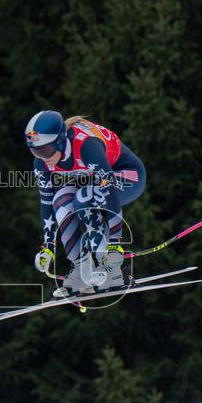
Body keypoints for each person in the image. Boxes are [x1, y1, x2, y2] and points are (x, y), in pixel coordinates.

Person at [24, 110, 146, 297]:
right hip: (92, 182)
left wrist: (115, 243)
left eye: (46, 150)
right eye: (35, 151)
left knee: (84, 198)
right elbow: (47, 202)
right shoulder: (42, 161)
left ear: (60, 140)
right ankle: (82, 270)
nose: (43, 157)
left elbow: (109, 189)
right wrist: (48, 247)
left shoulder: (85, 146)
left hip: (128, 176)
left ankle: (112, 268)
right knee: (61, 201)